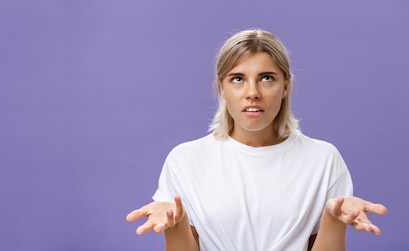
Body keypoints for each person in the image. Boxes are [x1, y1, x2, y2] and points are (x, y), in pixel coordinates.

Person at [125, 29, 388, 251]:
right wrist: (176, 224)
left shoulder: (323, 159)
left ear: (286, 86)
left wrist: (333, 218)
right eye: (238, 79)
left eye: (266, 78)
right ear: (221, 88)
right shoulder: (186, 160)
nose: (252, 93)